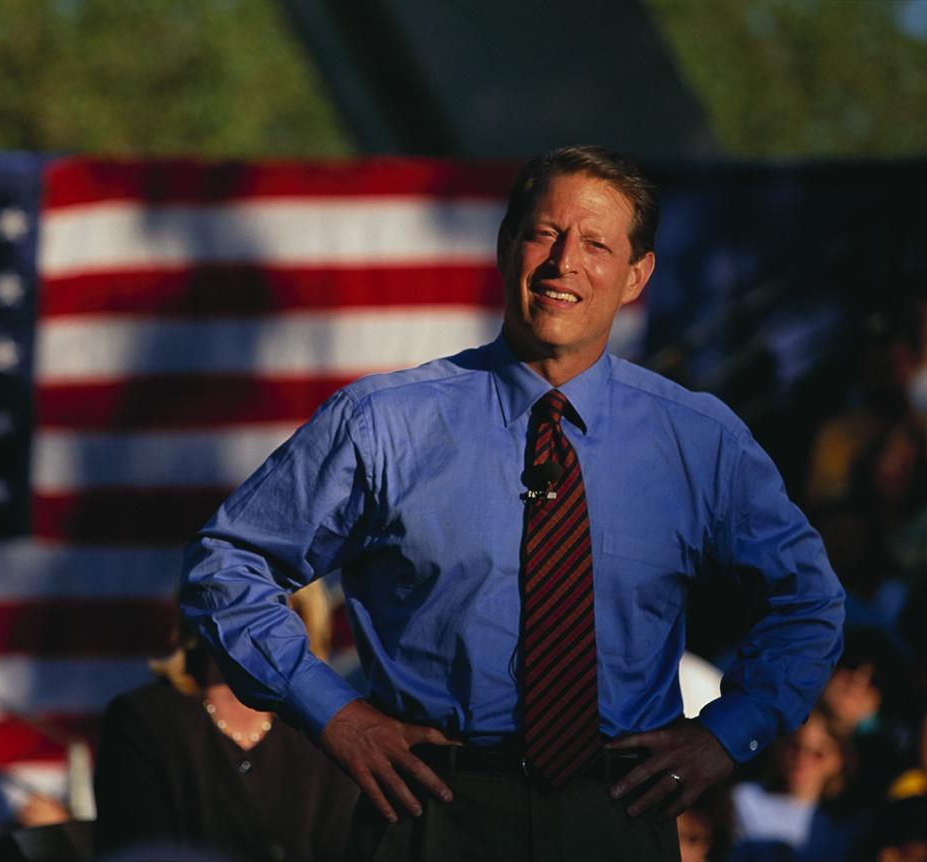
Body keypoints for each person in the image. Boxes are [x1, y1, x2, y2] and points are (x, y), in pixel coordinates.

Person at [180, 145, 845, 861]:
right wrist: (335, 715)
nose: (565, 262)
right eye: (544, 233)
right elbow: (227, 567)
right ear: (506, 248)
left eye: (597, 244)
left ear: (636, 276)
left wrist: (725, 735)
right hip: (425, 809)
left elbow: (809, 603)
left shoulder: (699, 442)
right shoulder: (384, 424)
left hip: (618, 813)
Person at [93, 582, 357, 861]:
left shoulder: (328, 730)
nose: (255, 618)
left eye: (275, 601)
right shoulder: (142, 721)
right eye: (240, 596)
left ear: (303, 615)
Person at [730, 708, 865, 862]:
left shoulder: (844, 828)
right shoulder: (740, 799)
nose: (802, 760)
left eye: (819, 754)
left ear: (839, 761)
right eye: (795, 746)